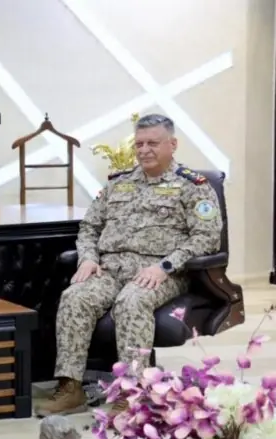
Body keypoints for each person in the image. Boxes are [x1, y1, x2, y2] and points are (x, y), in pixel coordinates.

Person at [34, 114, 223, 417]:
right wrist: (88, 258)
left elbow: (207, 237)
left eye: (153, 143)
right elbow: (89, 228)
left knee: (131, 303)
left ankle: (133, 392)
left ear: (172, 145)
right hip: (110, 269)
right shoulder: (117, 184)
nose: (145, 150)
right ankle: (71, 388)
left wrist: (164, 266)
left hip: (160, 273)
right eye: (140, 144)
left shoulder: (193, 186)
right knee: (75, 296)